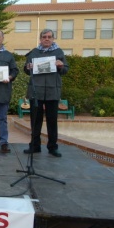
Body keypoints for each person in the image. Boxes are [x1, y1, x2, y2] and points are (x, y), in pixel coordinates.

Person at [23, 28, 69, 157]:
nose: (47, 39)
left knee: (52, 121)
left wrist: (61, 66)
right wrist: (28, 67)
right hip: (35, 91)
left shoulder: (59, 52)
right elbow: (26, 70)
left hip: (52, 91)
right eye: (44, 37)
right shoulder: (33, 52)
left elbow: (65, 69)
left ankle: (52, 147)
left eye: (49, 37)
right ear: (40, 39)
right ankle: (35, 146)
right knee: (35, 121)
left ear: (53, 38)